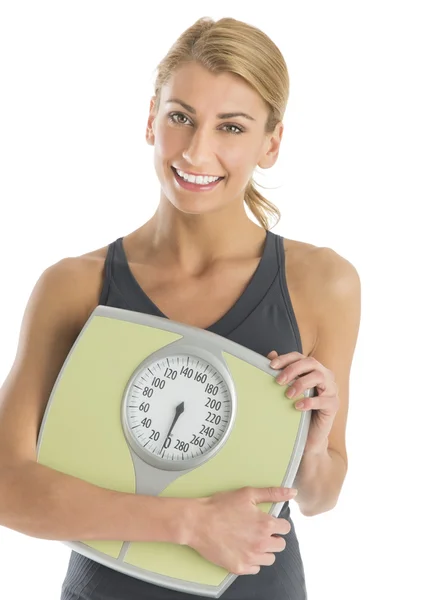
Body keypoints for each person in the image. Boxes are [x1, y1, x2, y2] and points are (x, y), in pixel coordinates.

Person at [0, 15, 361, 600]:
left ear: (271, 143)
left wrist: (314, 444)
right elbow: (7, 485)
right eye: (181, 117)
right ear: (150, 119)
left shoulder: (323, 283)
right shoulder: (72, 287)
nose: (198, 150)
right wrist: (191, 524)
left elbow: (320, 496)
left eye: (232, 128)